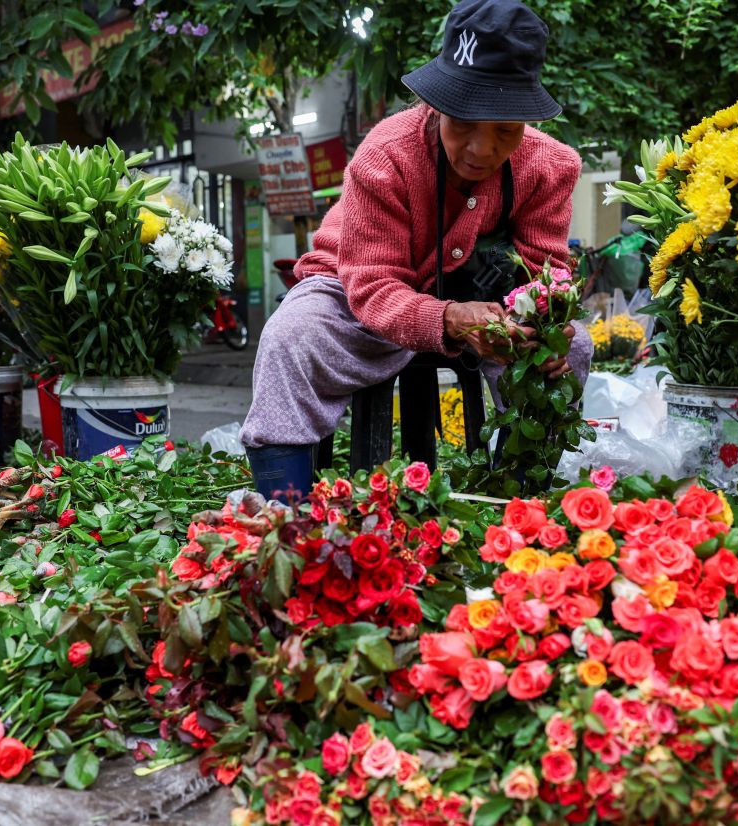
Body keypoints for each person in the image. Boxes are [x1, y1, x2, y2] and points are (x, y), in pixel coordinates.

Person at [241, 0, 591, 499]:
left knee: (572, 350)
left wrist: (549, 330)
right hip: (354, 286)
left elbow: (546, 273)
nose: (481, 149)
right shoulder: (387, 153)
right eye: (462, 123)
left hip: (480, 302)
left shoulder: (551, 166)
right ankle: (284, 514)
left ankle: (516, 497)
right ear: (437, 105)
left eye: (505, 130)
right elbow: (373, 287)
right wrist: (448, 318)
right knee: (290, 338)